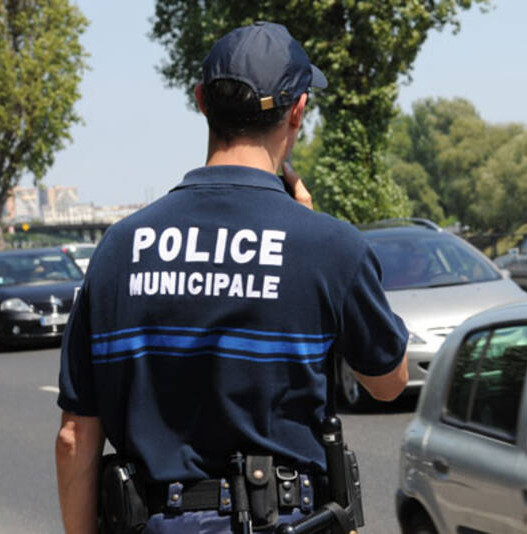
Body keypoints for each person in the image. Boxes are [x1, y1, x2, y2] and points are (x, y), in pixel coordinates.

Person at [54, 22, 409, 534]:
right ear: (298, 110)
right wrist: (308, 234)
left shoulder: (117, 248)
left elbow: (74, 436)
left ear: (202, 101)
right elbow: (388, 383)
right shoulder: (330, 247)